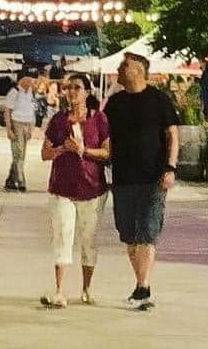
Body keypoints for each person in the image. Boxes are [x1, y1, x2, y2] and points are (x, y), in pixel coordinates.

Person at [103, 53, 178, 310]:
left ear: (137, 71)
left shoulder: (159, 100)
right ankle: (140, 283)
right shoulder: (114, 103)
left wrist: (170, 168)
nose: (119, 69)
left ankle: (143, 287)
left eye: (124, 66)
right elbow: (106, 138)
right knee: (129, 234)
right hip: (123, 177)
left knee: (146, 231)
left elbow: (172, 135)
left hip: (153, 177)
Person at [39, 73, 110, 308]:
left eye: (77, 87)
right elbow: (45, 153)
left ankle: (87, 288)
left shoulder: (99, 120)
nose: (72, 92)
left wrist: (84, 150)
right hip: (62, 187)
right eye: (68, 88)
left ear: (87, 92)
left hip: (93, 188)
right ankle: (59, 291)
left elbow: (108, 152)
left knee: (88, 240)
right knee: (63, 237)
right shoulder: (59, 120)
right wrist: (63, 148)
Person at [4, 77, 38, 192]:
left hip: (26, 124)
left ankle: (10, 181)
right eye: (29, 81)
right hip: (16, 123)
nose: (31, 83)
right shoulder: (14, 92)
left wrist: (31, 129)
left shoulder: (30, 93)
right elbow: (7, 111)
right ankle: (20, 180)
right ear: (23, 81)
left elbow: (32, 110)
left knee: (21, 155)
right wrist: (9, 129)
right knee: (18, 153)